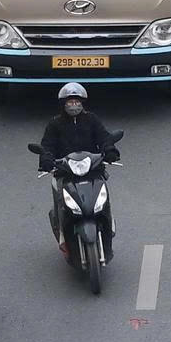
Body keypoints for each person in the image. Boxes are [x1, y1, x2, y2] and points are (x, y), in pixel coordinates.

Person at [37, 81, 124, 247]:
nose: (73, 105)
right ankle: (63, 233)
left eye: (77, 102)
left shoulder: (92, 120)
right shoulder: (54, 124)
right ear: (63, 104)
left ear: (82, 103)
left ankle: (107, 223)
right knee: (61, 201)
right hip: (64, 171)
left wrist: (110, 150)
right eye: (70, 102)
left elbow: (104, 138)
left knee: (103, 198)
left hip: (92, 169)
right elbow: (47, 145)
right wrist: (46, 159)